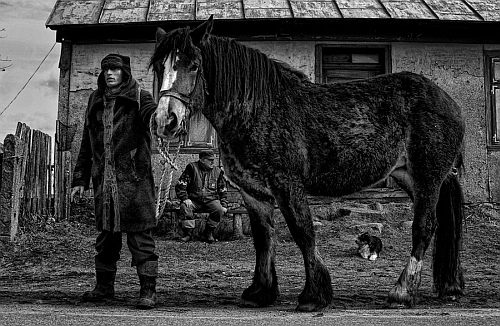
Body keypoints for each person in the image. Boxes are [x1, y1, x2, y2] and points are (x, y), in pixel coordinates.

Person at [71, 53, 159, 309]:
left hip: (134, 183)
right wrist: (80, 178)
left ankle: (148, 291)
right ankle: (104, 288)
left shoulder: (140, 97)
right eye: (106, 69)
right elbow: (87, 143)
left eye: (115, 69)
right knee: (106, 240)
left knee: (141, 239)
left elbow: (152, 118)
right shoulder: (95, 100)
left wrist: (162, 119)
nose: (110, 73)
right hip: (105, 184)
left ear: (125, 72)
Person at [175, 149, 228, 243]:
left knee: (219, 209)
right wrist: (185, 198)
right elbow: (181, 184)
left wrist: (224, 204)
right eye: (210, 160)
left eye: (213, 160)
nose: (213, 162)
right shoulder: (192, 168)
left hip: (210, 200)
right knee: (185, 207)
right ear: (202, 160)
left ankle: (208, 233)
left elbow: (222, 189)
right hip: (194, 200)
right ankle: (188, 234)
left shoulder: (218, 171)